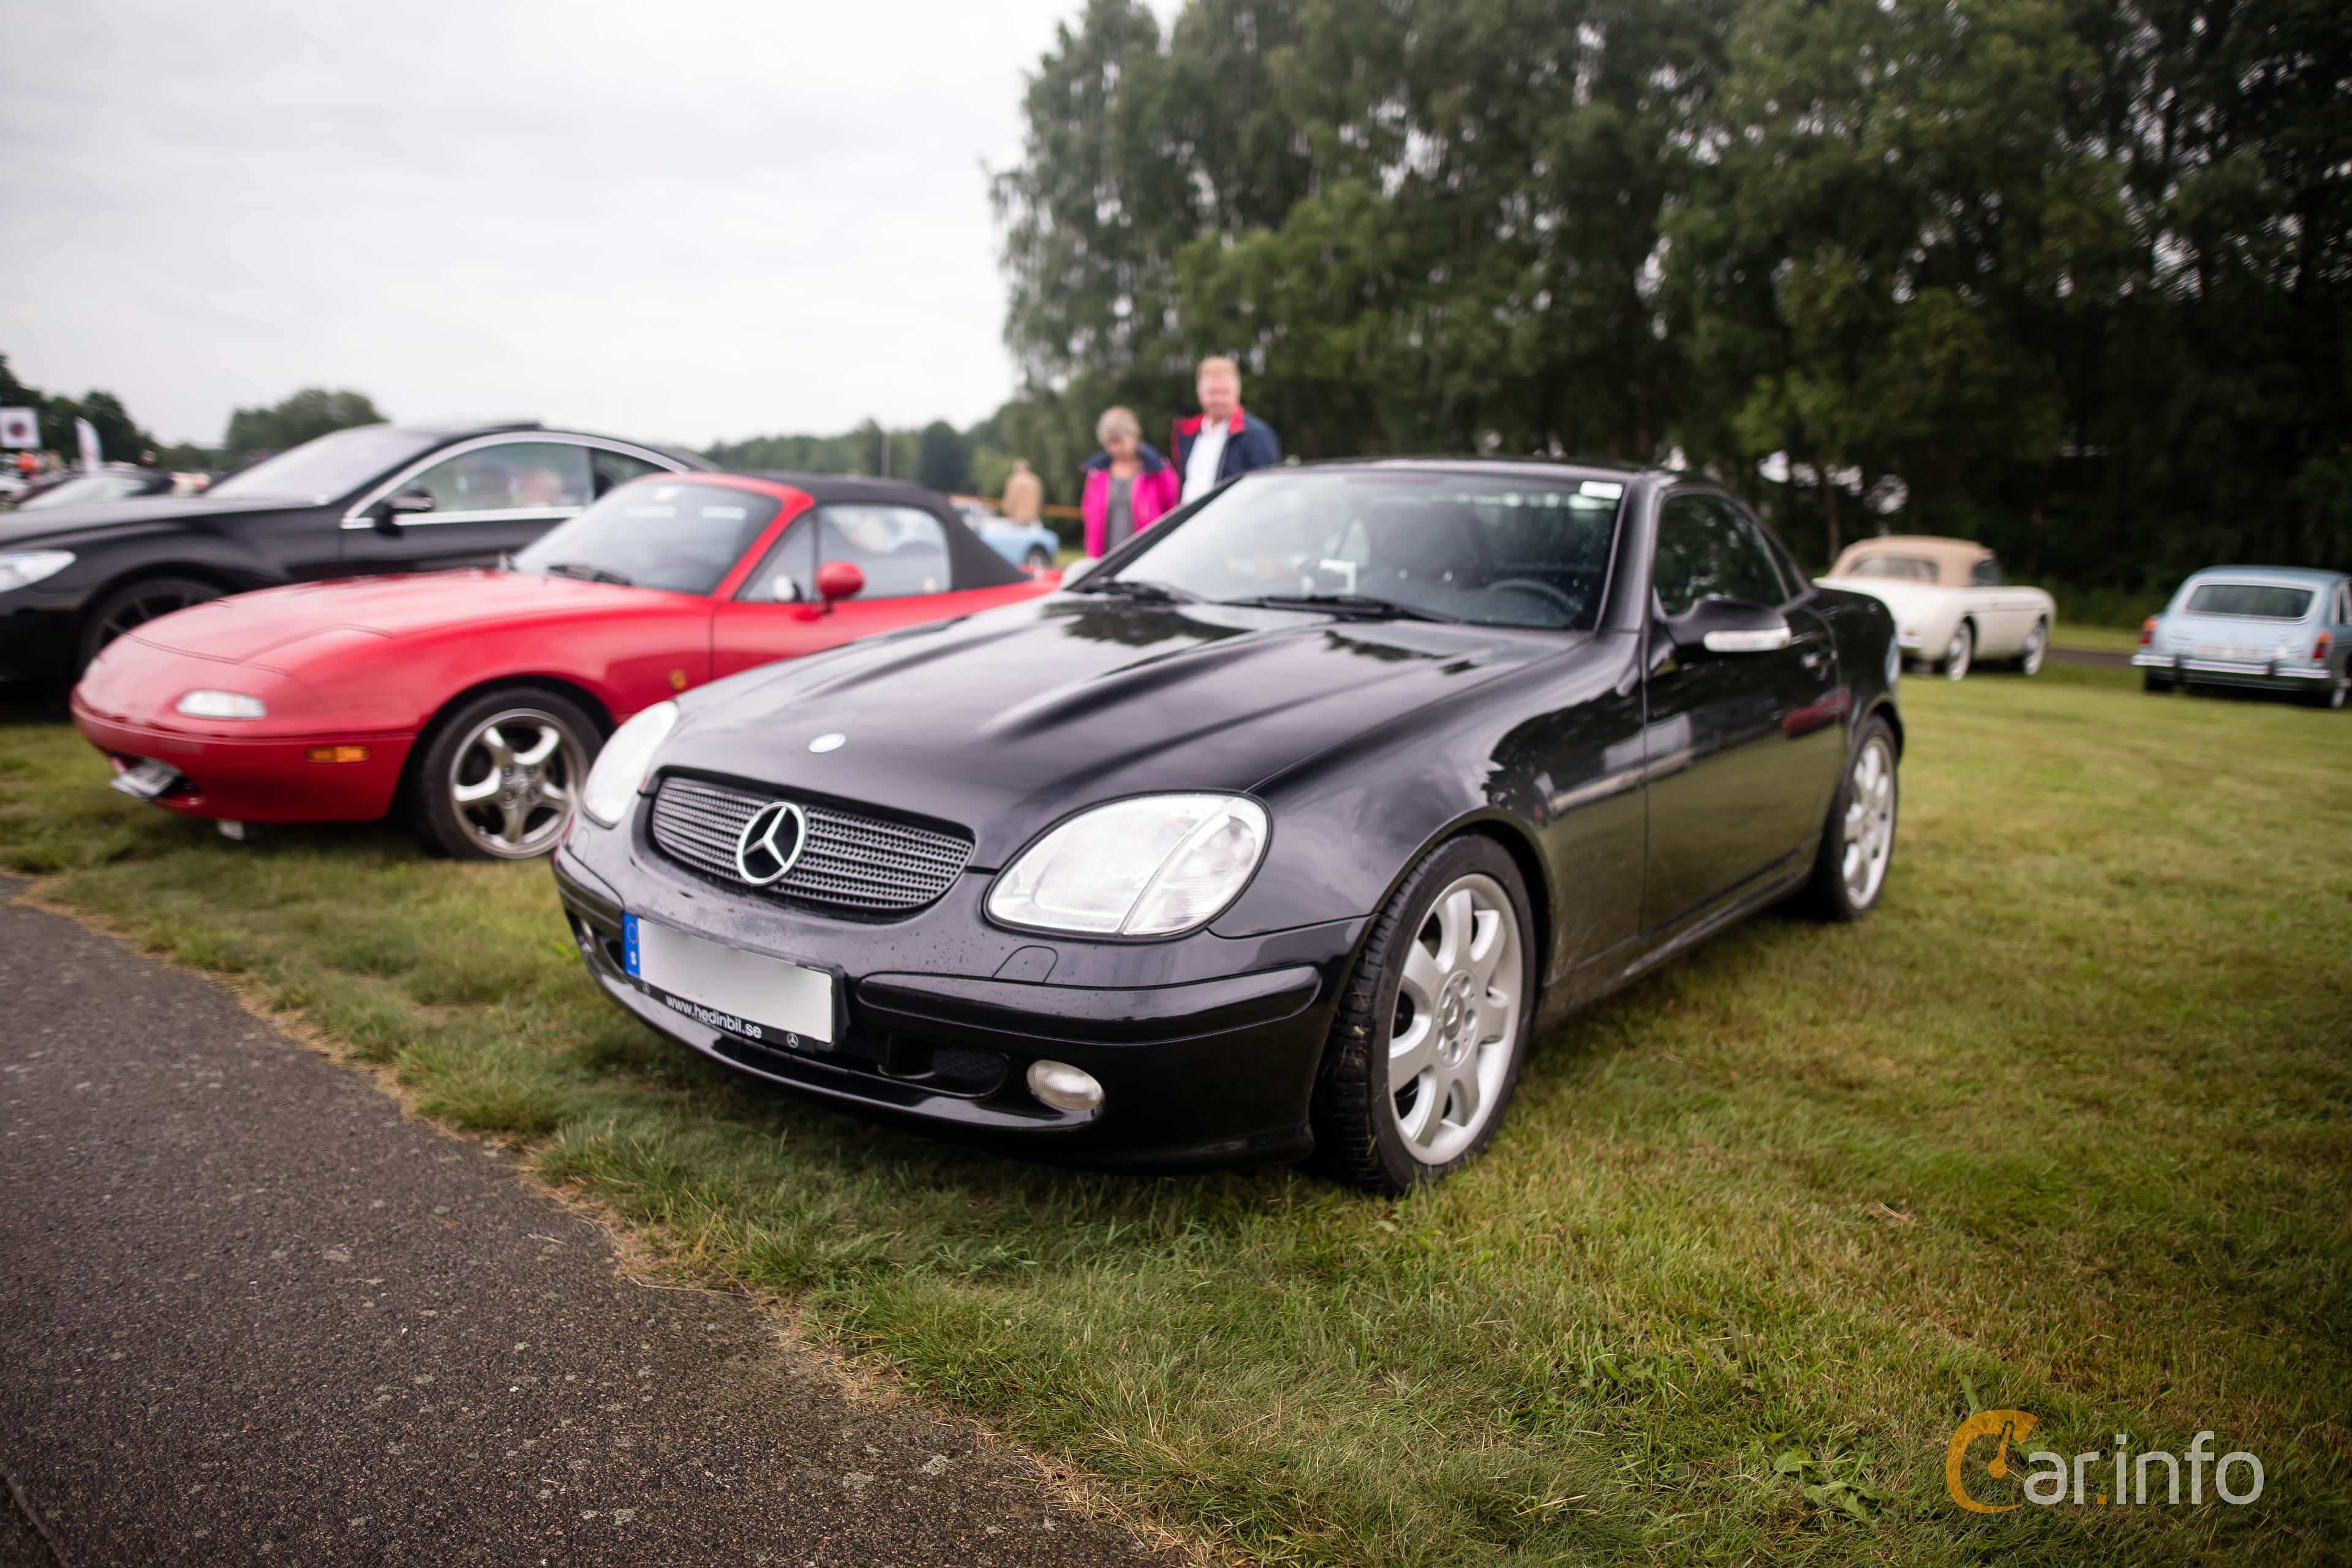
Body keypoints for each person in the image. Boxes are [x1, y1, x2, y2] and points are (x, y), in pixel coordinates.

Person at [1171, 355, 1281, 502]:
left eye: (1224, 393)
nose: (1218, 400)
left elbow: (1269, 491)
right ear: (1200, 394)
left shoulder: (1256, 435)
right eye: (1212, 393)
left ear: (1237, 392)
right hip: (1193, 522)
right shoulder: (1188, 433)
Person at [1080, 407, 1180, 558]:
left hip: (1147, 554)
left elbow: (1172, 511)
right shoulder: (1096, 473)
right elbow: (1088, 512)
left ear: (1133, 437)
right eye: (1110, 443)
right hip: (1106, 557)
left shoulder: (1158, 469)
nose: (1115, 448)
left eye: (1119, 441)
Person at [1001, 458, 1042, 524]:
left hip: (1016, 519)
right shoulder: (1035, 480)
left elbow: (1009, 501)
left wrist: (1007, 512)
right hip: (1033, 519)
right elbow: (1040, 500)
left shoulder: (1013, 481)